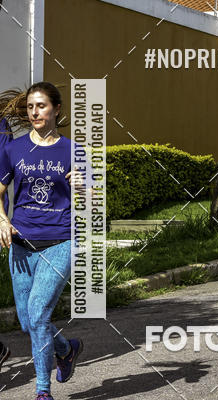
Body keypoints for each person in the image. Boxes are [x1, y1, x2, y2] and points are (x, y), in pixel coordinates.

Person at [0, 82, 83, 400]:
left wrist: (84, 186)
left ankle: (43, 391)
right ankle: (66, 350)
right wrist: (3, 220)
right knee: (27, 321)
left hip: (59, 243)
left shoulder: (73, 151)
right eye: (31, 107)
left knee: (37, 314)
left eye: (42, 106)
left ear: (56, 109)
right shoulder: (14, 149)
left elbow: (94, 202)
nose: (35, 112)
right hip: (21, 246)